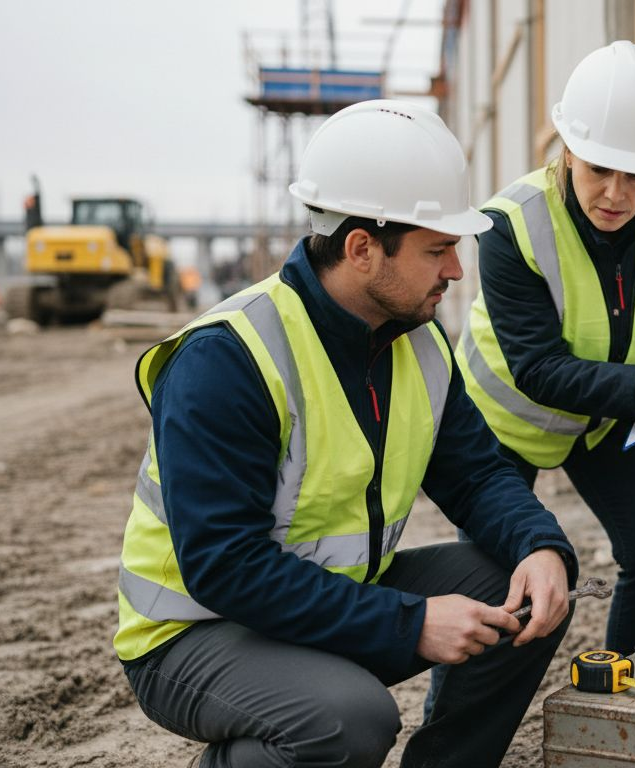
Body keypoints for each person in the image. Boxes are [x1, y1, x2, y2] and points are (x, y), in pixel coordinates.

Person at [113, 100, 576, 768]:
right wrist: (410, 624)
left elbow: (476, 474)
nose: (455, 271)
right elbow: (223, 564)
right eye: (438, 249)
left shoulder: (419, 343)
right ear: (361, 248)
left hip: (322, 596)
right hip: (195, 633)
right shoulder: (229, 358)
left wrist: (539, 545)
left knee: (522, 581)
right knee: (350, 719)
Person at [457, 41, 635, 656]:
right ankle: (454, 737)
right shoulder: (511, 224)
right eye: (597, 168)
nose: (615, 192)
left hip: (602, 418)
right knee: (495, 580)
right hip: (500, 422)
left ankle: (623, 696)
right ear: (566, 149)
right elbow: (536, 368)